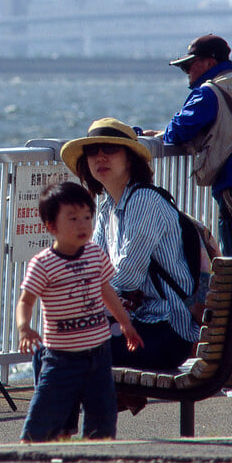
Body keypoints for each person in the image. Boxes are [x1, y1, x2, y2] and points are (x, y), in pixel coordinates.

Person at [60, 117, 201, 372]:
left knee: (62, 353)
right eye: (93, 151)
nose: (100, 157)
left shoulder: (144, 200)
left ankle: (68, 413)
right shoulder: (106, 210)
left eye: (110, 149)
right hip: (137, 325)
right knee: (56, 349)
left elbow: (127, 277)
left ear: (130, 160)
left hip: (166, 332)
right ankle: (87, 412)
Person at [16, 180, 142, 442]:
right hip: (61, 356)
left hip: (98, 352)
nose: (83, 224)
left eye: (87, 216)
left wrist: (125, 323)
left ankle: (96, 454)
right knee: (47, 409)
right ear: (51, 226)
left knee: (102, 413)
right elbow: (26, 300)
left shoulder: (95, 254)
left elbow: (106, 290)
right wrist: (24, 328)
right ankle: (33, 447)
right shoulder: (43, 264)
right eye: (72, 218)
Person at [144, 34, 232, 256]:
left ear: (210, 63)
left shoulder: (211, 92)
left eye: (189, 65)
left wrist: (156, 134)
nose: (187, 72)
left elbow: (178, 131)